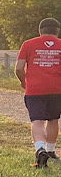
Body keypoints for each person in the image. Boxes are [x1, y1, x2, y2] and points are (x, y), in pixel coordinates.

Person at [15, 17, 61, 167]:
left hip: (34, 89)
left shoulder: (28, 44)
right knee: (53, 119)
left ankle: (40, 149)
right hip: (57, 89)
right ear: (57, 31)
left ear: (40, 31)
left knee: (37, 121)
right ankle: (51, 150)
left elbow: (19, 68)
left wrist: (24, 82)